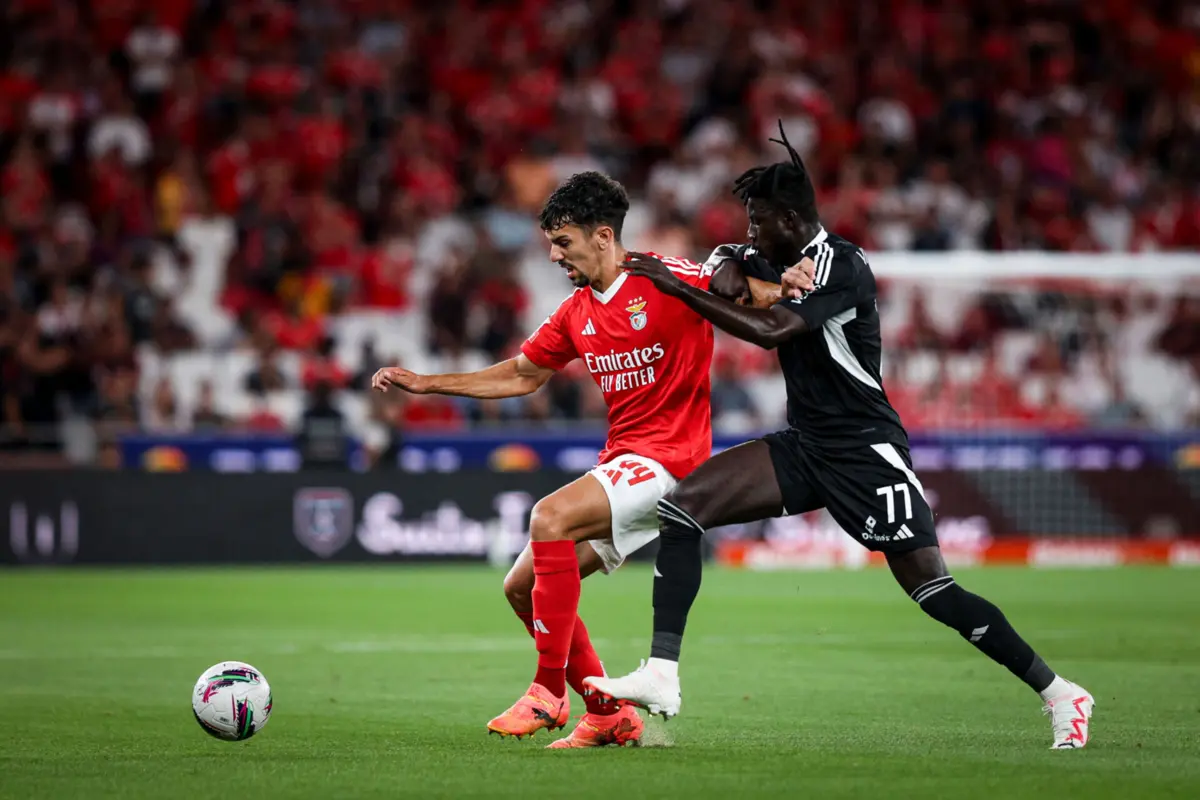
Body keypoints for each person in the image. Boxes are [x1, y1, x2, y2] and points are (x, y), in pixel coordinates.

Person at [584, 127, 1095, 750]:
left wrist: (679, 289)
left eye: (760, 221)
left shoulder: (846, 268)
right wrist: (724, 263)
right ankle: (662, 673)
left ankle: (1061, 693)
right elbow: (726, 256)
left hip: (865, 450)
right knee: (682, 509)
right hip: (805, 444)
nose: (752, 232)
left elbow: (772, 332)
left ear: (793, 219)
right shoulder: (773, 256)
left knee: (934, 590)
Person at [371, 171, 802, 748]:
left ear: (603, 237)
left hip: (672, 462)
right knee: (520, 587)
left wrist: (794, 284)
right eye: (550, 243)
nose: (553, 255)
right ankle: (606, 714)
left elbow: (753, 293)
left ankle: (548, 690)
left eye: (563, 242)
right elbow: (524, 374)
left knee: (548, 517)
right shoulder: (577, 311)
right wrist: (428, 384)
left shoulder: (670, 278)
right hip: (627, 463)